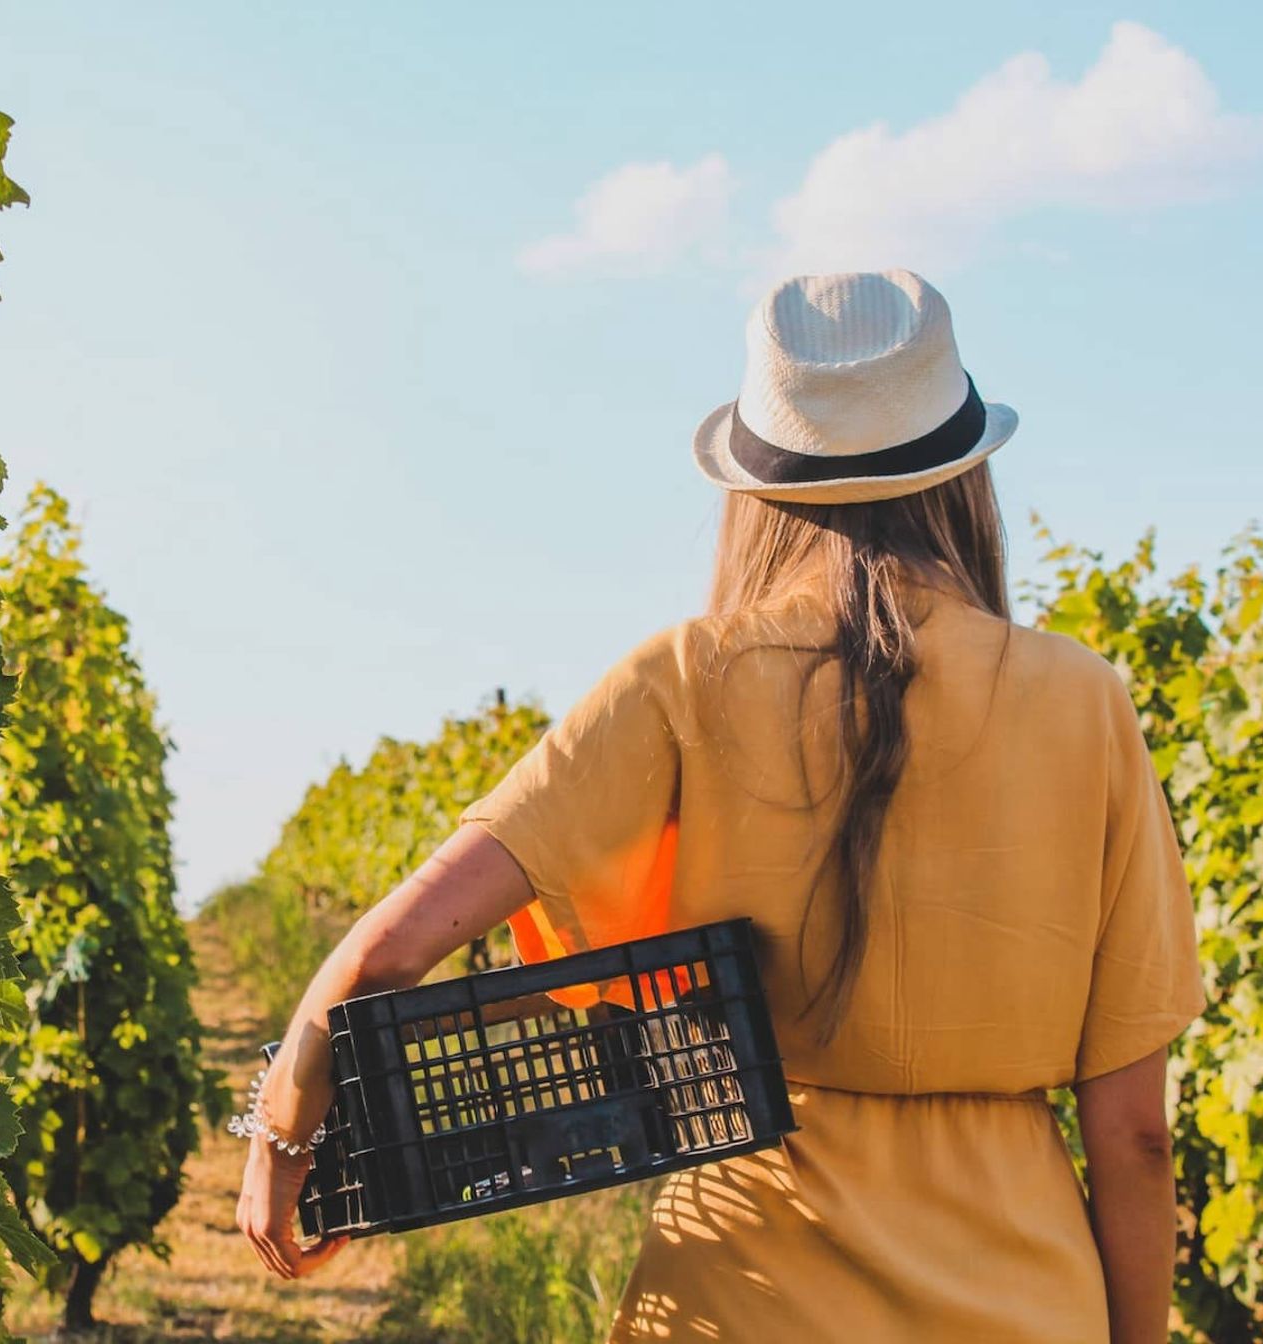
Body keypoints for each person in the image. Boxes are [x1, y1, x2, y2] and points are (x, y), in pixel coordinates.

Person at [235, 268, 1206, 1343]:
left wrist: (282, 1136)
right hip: (1024, 1302)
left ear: (755, 488)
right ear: (962, 477)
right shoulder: (1085, 702)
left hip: (738, 1296)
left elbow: (384, 955)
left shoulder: (685, 678)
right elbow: (1132, 1139)